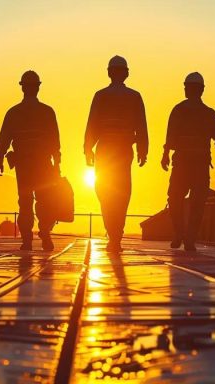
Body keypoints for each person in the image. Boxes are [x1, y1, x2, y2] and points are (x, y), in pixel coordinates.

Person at [84, 55, 149, 253]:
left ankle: (113, 233)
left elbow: (92, 124)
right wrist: (143, 149)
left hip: (105, 150)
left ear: (109, 73)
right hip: (123, 151)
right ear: (126, 73)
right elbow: (141, 125)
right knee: (122, 193)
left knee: (104, 191)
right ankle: (116, 234)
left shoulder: (101, 96)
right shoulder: (134, 96)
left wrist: (87, 149)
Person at [161, 72, 215, 252]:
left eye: (187, 87)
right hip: (196, 164)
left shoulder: (181, 111)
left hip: (186, 164)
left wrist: (165, 155)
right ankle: (186, 237)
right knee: (194, 202)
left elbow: (170, 136)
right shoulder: (208, 113)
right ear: (202, 90)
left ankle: (183, 235)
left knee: (178, 198)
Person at [0, 70, 62, 251]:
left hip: (24, 165)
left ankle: (27, 240)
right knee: (44, 200)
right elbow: (55, 141)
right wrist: (57, 163)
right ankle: (45, 233)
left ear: (23, 88)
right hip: (42, 164)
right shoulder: (47, 112)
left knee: (25, 201)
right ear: (38, 88)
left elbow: (4, 138)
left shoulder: (14, 112)